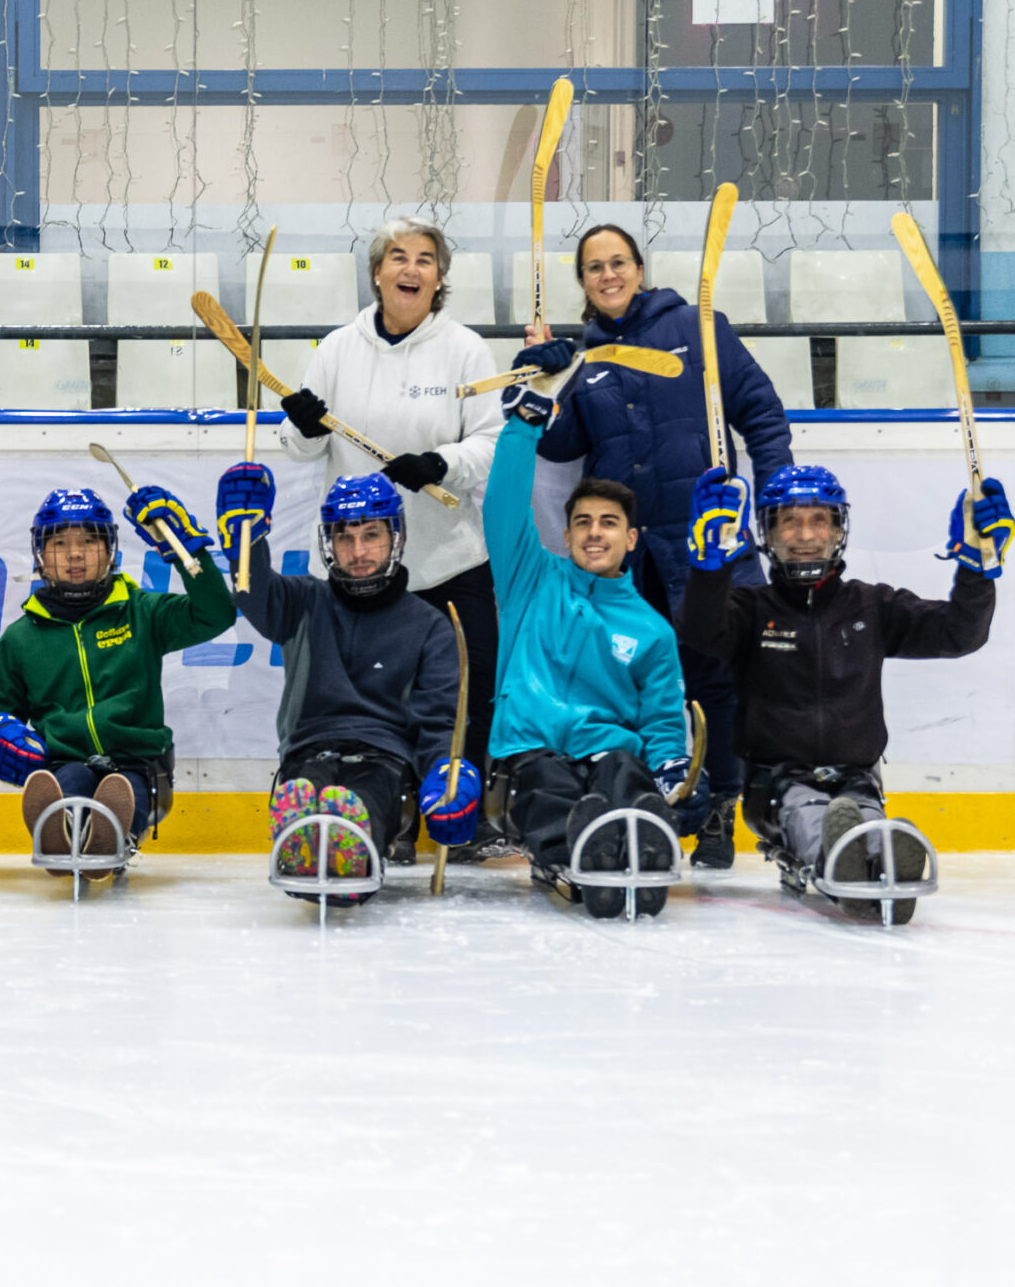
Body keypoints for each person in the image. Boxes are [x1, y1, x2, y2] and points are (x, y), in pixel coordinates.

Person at [522, 222, 795, 871]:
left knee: (716, 677)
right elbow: (560, 448)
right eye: (594, 267)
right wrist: (542, 383)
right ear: (583, 283)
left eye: (618, 262)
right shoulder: (584, 360)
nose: (608, 275)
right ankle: (661, 799)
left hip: (703, 541)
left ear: (640, 270)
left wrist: (776, 498)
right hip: (632, 554)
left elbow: (759, 410)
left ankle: (723, 807)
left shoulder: (697, 328)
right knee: (639, 683)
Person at [273, 217, 509, 861]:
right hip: (364, 573)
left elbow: (491, 442)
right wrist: (303, 427)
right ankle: (392, 813)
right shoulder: (337, 349)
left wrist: (439, 463)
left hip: (452, 561)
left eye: (426, 259)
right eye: (398, 257)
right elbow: (297, 448)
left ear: (440, 277)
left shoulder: (464, 348)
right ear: (377, 272)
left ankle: (467, 818)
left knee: (464, 693)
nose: (411, 268)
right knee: (372, 697)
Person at [679, 464, 1008, 922]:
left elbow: (958, 634)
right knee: (811, 815)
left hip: (856, 779)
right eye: (789, 521)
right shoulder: (751, 610)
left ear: (838, 529)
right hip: (776, 786)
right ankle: (844, 858)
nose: (805, 534)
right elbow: (699, 633)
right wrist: (708, 568)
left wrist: (977, 566)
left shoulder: (872, 605)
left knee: (863, 815)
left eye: (819, 520)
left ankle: (881, 850)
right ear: (767, 533)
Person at [481, 376, 699, 918]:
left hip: (608, 751)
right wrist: (523, 428)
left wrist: (672, 761)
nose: (593, 533)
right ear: (568, 532)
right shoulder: (530, 581)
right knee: (550, 785)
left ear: (631, 537)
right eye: (582, 523)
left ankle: (643, 847)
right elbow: (502, 508)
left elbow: (664, 715)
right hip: (531, 752)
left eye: (609, 523)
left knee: (626, 771)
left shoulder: (651, 629)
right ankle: (581, 853)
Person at [218, 467, 471, 903]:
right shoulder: (304, 601)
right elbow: (253, 593)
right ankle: (306, 839)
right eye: (345, 537)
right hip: (309, 748)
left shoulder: (430, 626)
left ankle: (351, 844)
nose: (358, 551)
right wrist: (246, 540)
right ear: (328, 543)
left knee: (362, 795)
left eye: (371, 535)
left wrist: (445, 773)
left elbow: (438, 719)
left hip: (386, 758)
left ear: (397, 536)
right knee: (310, 788)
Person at [0, 486, 236, 868]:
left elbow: (216, 614)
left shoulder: (141, 612)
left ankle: (111, 836)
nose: (75, 553)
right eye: (60, 542)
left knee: (124, 792)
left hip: (138, 761)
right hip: (64, 761)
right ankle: (63, 834)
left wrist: (185, 550)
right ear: (41, 554)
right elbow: (0, 713)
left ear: (109, 550)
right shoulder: (21, 637)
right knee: (70, 787)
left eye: (89, 541)